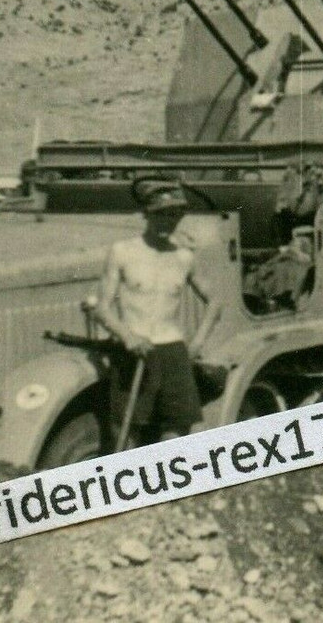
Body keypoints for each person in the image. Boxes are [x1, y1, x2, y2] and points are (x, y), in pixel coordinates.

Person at [95, 180, 221, 447]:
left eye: (174, 215)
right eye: (161, 214)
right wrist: (127, 336)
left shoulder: (184, 257)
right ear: (146, 214)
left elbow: (214, 302)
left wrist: (197, 343)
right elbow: (102, 308)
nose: (168, 221)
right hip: (133, 350)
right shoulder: (122, 252)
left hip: (172, 351)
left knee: (177, 430)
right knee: (126, 431)